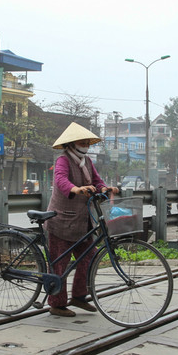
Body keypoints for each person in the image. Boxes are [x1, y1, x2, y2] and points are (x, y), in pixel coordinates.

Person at [44, 122, 119, 317]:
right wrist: (75, 189)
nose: (86, 144)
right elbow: (60, 179)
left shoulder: (87, 162)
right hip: (61, 219)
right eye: (82, 141)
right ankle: (57, 304)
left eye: (87, 142)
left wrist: (105, 188)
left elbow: (97, 180)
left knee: (89, 256)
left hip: (82, 221)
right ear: (71, 143)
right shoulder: (63, 160)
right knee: (59, 262)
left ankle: (79, 296)